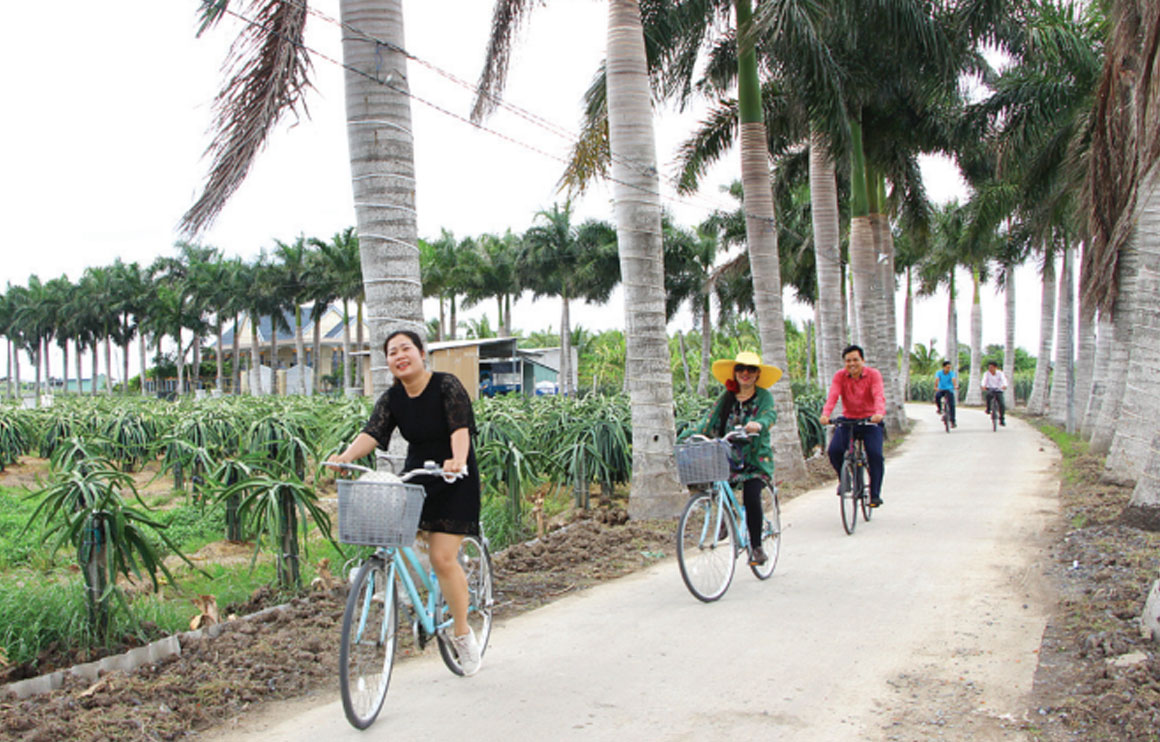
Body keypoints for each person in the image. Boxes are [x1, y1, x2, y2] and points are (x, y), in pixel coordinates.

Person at [328, 330, 483, 675]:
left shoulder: (446, 385)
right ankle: (411, 595)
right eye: (392, 352)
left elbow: (461, 428)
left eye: (406, 349)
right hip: (416, 476)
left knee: (443, 559)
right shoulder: (393, 398)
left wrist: (457, 460)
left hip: (453, 477)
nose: (400, 355)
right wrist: (345, 456)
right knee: (390, 534)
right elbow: (373, 432)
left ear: (421, 353)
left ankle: (461, 633)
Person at [688, 350, 782, 566]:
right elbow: (708, 420)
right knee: (711, 482)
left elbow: (770, 414)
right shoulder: (727, 397)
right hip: (728, 456)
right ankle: (725, 514)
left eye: (750, 370)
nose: (745, 373)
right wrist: (688, 436)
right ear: (735, 372)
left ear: (758, 374)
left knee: (751, 494)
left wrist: (759, 424)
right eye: (740, 369)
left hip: (755, 458)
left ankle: (757, 546)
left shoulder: (763, 396)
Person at [819, 345, 886, 507]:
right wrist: (826, 414)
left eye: (855, 360)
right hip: (849, 420)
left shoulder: (873, 375)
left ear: (863, 360)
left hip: (870, 421)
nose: (852, 364)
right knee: (834, 451)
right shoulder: (840, 376)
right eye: (848, 361)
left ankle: (875, 494)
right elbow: (833, 396)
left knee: (875, 454)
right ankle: (846, 479)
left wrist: (878, 413)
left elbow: (878, 395)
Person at [980, 360, 1008, 426]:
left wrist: (1004, 385)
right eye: (989, 367)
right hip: (990, 389)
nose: (990, 369)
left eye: (992, 367)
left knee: (1002, 404)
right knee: (988, 396)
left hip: (998, 389)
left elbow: (1004, 380)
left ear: (995, 367)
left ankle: (1002, 419)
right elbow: (984, 380)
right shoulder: (986, 374)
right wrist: (983, 386)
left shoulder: (1000, 373)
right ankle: (988, 409)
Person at [934, 360, 959, 427]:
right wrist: (936, 387)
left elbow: (953, 379)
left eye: (950, 367)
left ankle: (953, 421)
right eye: (947, 367)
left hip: (949, 390)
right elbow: (937, 380)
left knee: (952, 405)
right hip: (941, 389)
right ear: (944, 367)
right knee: (937, 396)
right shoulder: (939, 373)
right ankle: (939, 409)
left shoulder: (951, 373)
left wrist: (955, 386)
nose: (949, 369)